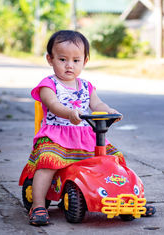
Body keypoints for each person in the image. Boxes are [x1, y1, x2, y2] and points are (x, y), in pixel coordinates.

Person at [20, 30, 154, 226]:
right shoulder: (48, 85)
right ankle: (38, 205)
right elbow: (53, 105)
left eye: (76, 60)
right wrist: (68, 113)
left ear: (85, 61)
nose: (69, 65)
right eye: (62, 59)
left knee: (115, 161)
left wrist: (108, 111)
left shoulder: (86, 86)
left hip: (86, 138)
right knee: (47, 163)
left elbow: (97, 105)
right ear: (50, 59)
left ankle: (127, 199)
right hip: (57, 137)